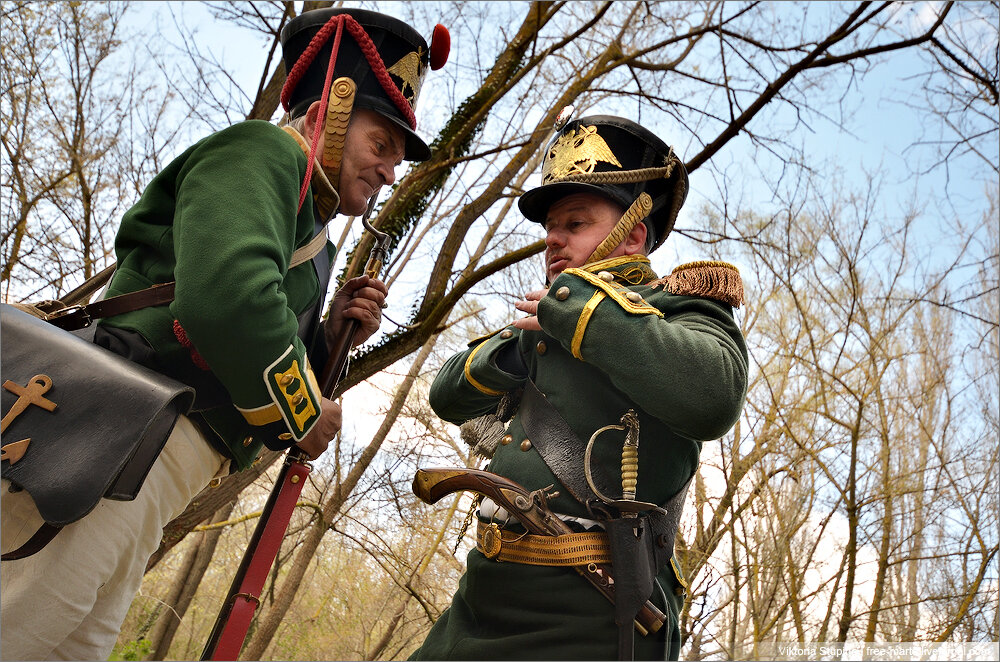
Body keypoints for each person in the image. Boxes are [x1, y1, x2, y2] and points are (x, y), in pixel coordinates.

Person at [0, 7, 447, 660]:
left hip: (150, 467)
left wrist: (328, 333)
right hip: (118, 438)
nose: (388, 170)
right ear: (331, 108)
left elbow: (255, 346)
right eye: (381, 144)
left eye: (396, 158)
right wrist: (302, 412)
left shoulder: (310, 233)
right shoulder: (263, 153)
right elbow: (229, 304)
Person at [412, 115, 748, 660]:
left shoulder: (677, 309)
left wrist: (582, 314)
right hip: (479, 603)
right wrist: (523, 345)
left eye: (574, 222)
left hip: (592, 616)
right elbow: (446, 393)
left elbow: (713, 396)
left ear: (633, 233)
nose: (553, 240)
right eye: (550, 227)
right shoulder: (539, 332)